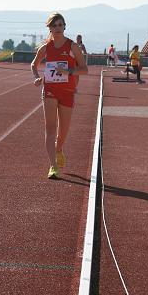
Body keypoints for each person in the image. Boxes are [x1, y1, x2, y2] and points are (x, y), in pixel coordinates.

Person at [31, 12, 88, 179]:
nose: (57, 28)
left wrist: (69, 71)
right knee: (50, 128)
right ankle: (53, 165)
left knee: (63, 131)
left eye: (60, 25)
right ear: (49, 28)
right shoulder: (46, 47)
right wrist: (36, 78)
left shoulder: (72, 47)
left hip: (68, 92)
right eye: (54, 25)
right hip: (49, 90)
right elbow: (34, 65)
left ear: (64, 26)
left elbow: (84, 69)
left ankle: (59, 148)